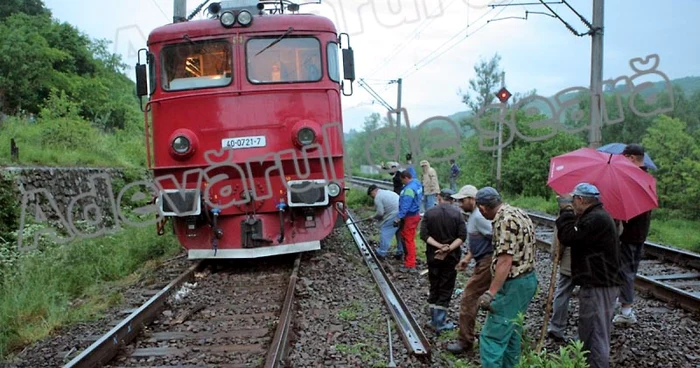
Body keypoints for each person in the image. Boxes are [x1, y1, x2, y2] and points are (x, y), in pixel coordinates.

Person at [555, 183, 623, 368]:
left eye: (574, 200)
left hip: (599, 284)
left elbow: (569, 236)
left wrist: (565, 212)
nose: (573, 203)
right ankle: (586, 364)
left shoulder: (595, 219)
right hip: (599, 282)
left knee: (595, 334)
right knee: (590, 331)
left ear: (581, 200)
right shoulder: (596, 215)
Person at [475, 187, 538, 368]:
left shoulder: (504, 220)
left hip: (513, 284)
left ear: (482, 208)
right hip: (527, 280)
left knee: (492, 337)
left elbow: (505, 260)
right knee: (511, 333)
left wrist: (490, 293)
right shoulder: (519, 212)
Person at [447, 185, 494, 354]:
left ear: (473, 200)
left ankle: (465, 341)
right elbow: (481, 240)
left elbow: (495, 238)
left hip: (487, 263)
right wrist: (467, 258)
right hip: (483, 261)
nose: (460, 204)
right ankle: (487, 336)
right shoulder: (475, 216)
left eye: (462, 200)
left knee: (468, 297)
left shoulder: (479, 217)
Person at [613, 143, 652, 325]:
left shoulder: (634, 178)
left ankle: (626, 310)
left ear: (631, 158)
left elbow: (627, 208)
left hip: (631, 233)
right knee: (630, 270)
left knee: (626, 271)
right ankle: (619, 301)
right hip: (641, 233)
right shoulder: (646, 177)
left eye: (624, 157)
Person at [420, 189, 466, 334]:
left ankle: (433, 319)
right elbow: (462, 236)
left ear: (439, 198)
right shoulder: (457, 214)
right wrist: (448, 248)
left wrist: (439, 246)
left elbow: (424, 235)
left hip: (433, 255)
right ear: (452, 200)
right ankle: (439, 322)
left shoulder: (429, 213)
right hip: (451, 257)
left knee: (434, 283)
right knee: (446, 285)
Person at [547, 237, 575, 343]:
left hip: (570, 259)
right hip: (589, 261)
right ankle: (584, 334)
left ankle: (556, 328)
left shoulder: (565, 219)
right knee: (587, 297)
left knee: (563, 293)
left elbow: (559, 236)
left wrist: (555, 254)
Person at [395, 169, 422, 272]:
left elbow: (406, 205)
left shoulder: (409, 189)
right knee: (408, 239)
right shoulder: (417, 183)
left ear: (406, 178)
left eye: (402, 180)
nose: (402, 183)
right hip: (415, 215)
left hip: (409, 217)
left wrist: (398, 217)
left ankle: (410, 264)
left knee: (408, 240)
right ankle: (409, 261)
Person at [367, 184, 403, 260]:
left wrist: (373, 217)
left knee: (385, 230)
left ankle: (381, 253)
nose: (372, 197)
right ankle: (400, 251)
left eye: (371, 195)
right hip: (402, 213)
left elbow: (380, 213)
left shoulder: (378, 197)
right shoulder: (386, 192)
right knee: (399, 233)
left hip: (394, 214)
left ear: (373, 191)